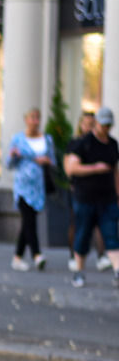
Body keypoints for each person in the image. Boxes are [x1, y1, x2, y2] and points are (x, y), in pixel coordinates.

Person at [63, 106, 119, 288]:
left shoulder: (112, 144)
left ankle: (117, 270)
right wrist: (94, 168)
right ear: (96, 124)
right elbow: (71, 168)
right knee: (83, 235)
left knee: (111, 234)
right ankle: (79, 272)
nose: (106, 129)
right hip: (85, 198)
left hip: (107, 199)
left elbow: (115, 171)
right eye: (103, 125)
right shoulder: (83, 143)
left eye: (109, 125)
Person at [6, 108, 55, 271]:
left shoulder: (47, 139)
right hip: (22, 186)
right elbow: (8, 164)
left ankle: (17, 257)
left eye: (38, 118)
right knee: (29, 221)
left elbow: (53, 161)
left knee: (28, 222)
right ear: (26, 119)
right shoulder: (17, 139)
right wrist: (13, 155)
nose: (35, 121)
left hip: (39, 186)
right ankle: (37, 255)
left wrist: (45, 161)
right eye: (32, 118)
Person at [67, 111, 111, 272]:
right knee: (80, 225)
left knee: (101, 225)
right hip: (80, 192)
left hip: (101, 194)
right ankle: (74, 256)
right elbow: (69, 168)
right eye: (87, 124)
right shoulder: (76, 143)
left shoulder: (104, 143)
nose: (90, 127)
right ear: (80, 125)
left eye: (93, 124)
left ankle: (102, 256)